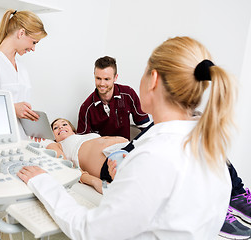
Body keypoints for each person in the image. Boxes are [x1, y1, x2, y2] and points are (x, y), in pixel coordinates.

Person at [17, 36, 236, 239]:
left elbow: (90, 231)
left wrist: (42, 181)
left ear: (154, 80)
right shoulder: (210, 147)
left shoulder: (153, 156)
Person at [0, 9, 47, 138]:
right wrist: (12, 108)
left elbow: (22, 109)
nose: (33, 48)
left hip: (21, 139)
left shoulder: (22, 68)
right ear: (21, 33)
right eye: (34, 42)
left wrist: (33, 128)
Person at [77, 56, 151, 140]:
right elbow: (82, 142)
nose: (102, 83)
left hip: (124, 149)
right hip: (99, 151)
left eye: (106, 79)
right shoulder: (86, 108)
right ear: (94, 76)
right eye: (98, 78)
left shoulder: (128, 94)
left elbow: (146, 127)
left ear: (115, 77)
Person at [47, 118, 129, 193]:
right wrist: (96, 182)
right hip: (111, 163)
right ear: (53, 136)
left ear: (73, 131)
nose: (61, 127)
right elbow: (68, 168)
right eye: (55, 128)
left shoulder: (85, 136)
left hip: (127, 148)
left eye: (64, 124)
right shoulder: (56, 145)